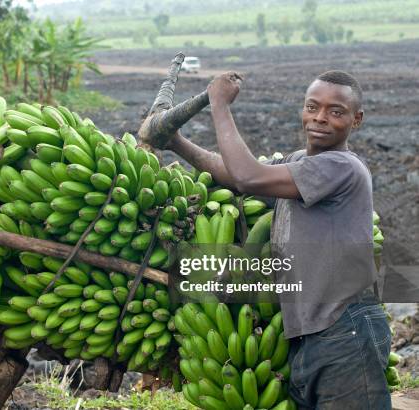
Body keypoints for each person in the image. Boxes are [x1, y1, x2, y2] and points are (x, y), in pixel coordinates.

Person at [162, 70, 392, 409]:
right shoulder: (300, 163)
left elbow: (249, 176)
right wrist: (176, 142)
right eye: (312, 107)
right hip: (313, 336)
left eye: (336, 111)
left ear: (356, 120)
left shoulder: (342, 167)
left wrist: (220, 106)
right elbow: (236, 176)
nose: (320, 118)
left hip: (345, 329)